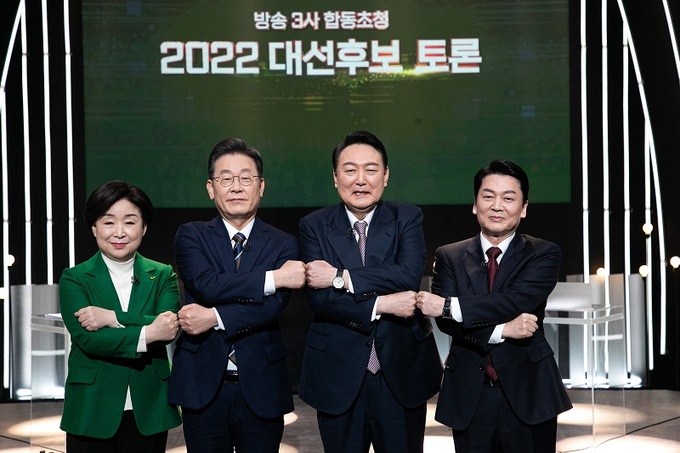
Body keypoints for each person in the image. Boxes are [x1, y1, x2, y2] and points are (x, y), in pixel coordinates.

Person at [299, 130, 443, 453]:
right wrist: (382, 304)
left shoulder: (407, 217)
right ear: (335, 178)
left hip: (401, 372)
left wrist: (340, 277)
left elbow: (407, 276)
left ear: (386, 175)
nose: (360, 180)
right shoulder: (314, 226)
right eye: (350, 170)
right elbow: (320, 299)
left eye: (371, 169)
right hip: (338, 373)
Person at [416, 160, 572, 453]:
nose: (497, 206)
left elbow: (516, 300)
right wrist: (504, 330)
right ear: (475, 205)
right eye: (488, 196)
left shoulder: (543, 253)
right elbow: (447, 324)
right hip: (469, 393)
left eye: (508, 198)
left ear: (523, 208)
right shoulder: (449, 256)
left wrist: (449, 306)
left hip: (529, 392)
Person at [168, 137, 306, 453]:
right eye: (226, 179)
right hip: (202, 385)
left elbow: (271, 306)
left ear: (261, 186)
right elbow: (206, 284)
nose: (236, 187)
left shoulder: (284, 243)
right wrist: (274, 278)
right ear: (210, 188)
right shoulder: (191, 235)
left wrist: (213, 316)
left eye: (245, 178)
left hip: (262, 385)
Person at [59, 180, 182, 452]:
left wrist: (111, 317)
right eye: (108, 222)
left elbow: (168, 326)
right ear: (94, 228)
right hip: (92, 407)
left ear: (144, 227)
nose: (119, 232)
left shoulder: (163, 275)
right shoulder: (75, 278)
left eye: (129, 222)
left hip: (148, 406)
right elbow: (91, 340)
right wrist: (149, 331)